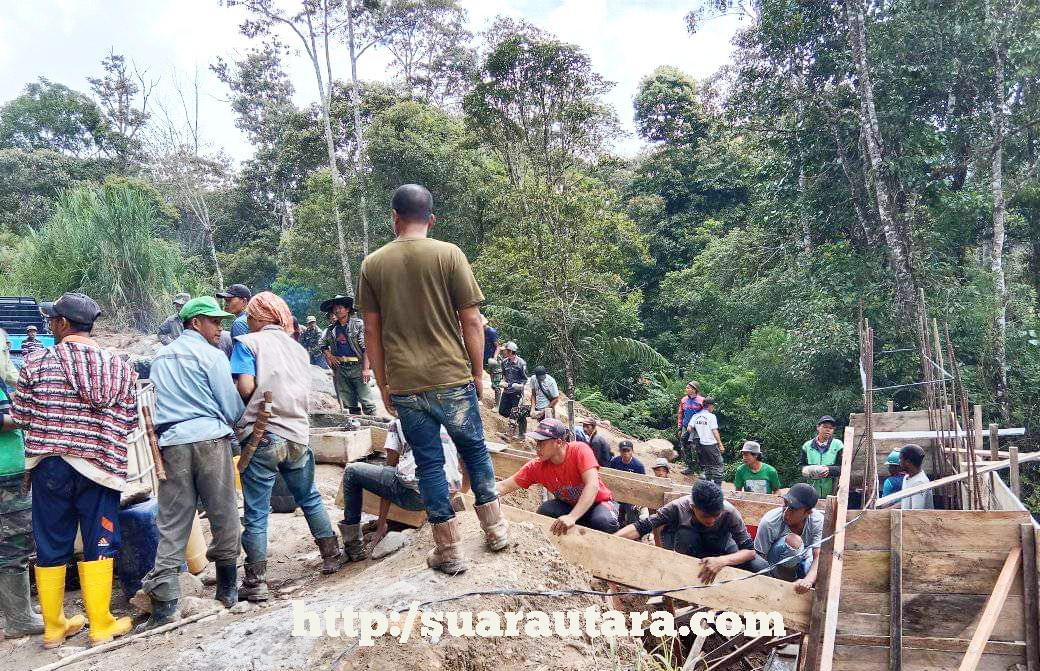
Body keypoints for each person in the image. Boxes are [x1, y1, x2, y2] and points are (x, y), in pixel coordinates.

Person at [357, 184, 507, 575]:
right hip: (451, 378)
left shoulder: (373, 265)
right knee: (473, 449)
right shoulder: (450, 254)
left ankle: (449, 550)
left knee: (428, 464)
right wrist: (477, 372)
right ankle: (495, 531)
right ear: (431, 218)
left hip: (407, 385)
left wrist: (385, 382)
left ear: (394, 218)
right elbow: (471, 320)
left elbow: (371, 331)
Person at [13, 293, 138, 648]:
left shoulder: (37, 363)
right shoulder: (120, 365)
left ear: (63, 324)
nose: (50, 325)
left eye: (53, 320)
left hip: (50, 466)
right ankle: (100, 625)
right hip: (100, 467)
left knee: (52, 542)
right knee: (100, 539)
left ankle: (54, 628)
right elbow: (128, 421)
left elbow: (22, 417)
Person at [139, 297, 244, 628]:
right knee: (223, 511)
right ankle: (227, 592)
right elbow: (231, 407)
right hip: (211, 440)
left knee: (172, 521)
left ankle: (166, 605)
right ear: (195, 322)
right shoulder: (212, 357)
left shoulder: (160, 357)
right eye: (214, 322)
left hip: (172, 443)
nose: (220, 328)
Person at [231, 292, 344, 600]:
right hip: (297, 434)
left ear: (256, 318)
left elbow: (245, 387)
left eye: (250, 318)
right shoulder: (298, 349)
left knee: (255, 510)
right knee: (308, 496)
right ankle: (332, 554)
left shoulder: (248, 344)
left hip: (262, 435)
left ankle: (256, 582)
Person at [340, 419, 468, 560]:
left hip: (414, 496)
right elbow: (466, 463)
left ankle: (354, 546)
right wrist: (458, 494)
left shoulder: (399, 422)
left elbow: (390, 470)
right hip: (444, 493)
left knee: (351, 471)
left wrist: (381, 524)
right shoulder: (447, 419)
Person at [617, 480, 765, 581]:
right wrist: (606, 539)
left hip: (722, 549)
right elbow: (641, 527)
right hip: (691, 552)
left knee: (760, 566)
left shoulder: (729, 511)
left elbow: (749, 551)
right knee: (685, 535)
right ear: (693, 507)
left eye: (716, 515)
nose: (712, 520)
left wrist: (722, 561)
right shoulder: (677, 507)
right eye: (706, 516)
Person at [497, 418, 619, 534]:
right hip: (569, 506)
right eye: (537, 443)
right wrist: (482, 494)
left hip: (598, 503)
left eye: (542, 443)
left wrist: (572, 517)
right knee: (546, 511)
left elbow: (592, 486)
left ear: (559, 442)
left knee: (602, 521)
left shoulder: (579, 450)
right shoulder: (537, 466)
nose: (537, 448)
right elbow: (504, 486)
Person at [0, 382, 44, 641]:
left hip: (9, 470)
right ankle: (19, 618)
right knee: (13, 545)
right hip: (4, 475)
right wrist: (26, 420)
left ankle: (19, 612)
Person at [753, 483, 823, 593]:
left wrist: (808, 581)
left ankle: (799, 580)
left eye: (793, 509)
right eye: (785, 504)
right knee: (794, 542)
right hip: (774, 563)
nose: (786, 512)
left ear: (808, 512)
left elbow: (818, 556)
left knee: (821, 568)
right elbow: (760, 558)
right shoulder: (769, 522)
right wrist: (771, 584)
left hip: (802, 558)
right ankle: (789, 581)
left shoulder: (817, 521)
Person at [319, 295, 377, 415]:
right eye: (335, 308)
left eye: (340, 307)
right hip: (341, 368)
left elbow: (367, 347)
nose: (337, 310)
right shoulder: (331, 330)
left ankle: (375, 427)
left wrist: (366, 369)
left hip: (357, 366)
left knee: (366, 401)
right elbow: (322, 344)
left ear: (347, 309)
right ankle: (356, 428)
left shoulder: (358, 325)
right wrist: (330, 356)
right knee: (349, 402)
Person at [799, 415, 844, 499]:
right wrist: (807, 470)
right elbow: (801, 465)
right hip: (811, 490)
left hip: (832, 492)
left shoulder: (838, 445)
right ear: (818, 427)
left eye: (831, 428)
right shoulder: (807, 446)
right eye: (825, 427)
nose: (828, 430)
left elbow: (844, 468)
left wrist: (829, 470)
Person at [608, 441, 645, 528]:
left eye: (628, 450)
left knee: (632, 516)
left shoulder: (638, 466)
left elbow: (642, 485)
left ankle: (634, 531)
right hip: (616, 494)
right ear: (620, 451)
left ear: (632, 451)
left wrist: (637, 499)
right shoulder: (615, 462)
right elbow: (610, 479)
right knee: (613, 515)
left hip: (631, 496)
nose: (626, 453)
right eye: (623, 451)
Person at [688, 398, 724, 484]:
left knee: (707, 466)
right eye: (713, 406)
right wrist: (720, 444)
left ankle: (706, 485)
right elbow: (714, 431)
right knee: (718, 465)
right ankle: (717, 487)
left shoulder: (695, 416)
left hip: (700, 445)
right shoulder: (711, 416)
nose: (713, 408)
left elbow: (689, 429)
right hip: (711, 444)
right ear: (710, 406)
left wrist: (700, 432)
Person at [677, 382, 705, 474]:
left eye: (688, 388)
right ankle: (690, 467)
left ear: (694, 389)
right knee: (684, 444)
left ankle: (703, 470)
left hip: (698, 428)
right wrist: (680, 428)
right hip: (687, 427)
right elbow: (681, 414)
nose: (686, 389)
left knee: (698, 448)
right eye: (686, 387)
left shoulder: (701, 401)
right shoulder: (684, 400)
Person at [497, 342, 527, 421]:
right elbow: (503, 375)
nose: (503, 352)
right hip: (507, 391)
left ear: (510, 351)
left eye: (505, 350)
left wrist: (520, 386)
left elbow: (525, 379)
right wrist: (502, 382)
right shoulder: (504, 362)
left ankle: (514, 427)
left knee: (515, 413)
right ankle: (513, 418)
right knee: (502, 412)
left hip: (516, 392)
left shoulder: (521, 363)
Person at [899, 444, 932, 509]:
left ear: (908, 462)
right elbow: (905, 502)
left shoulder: (919, 483)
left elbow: (916, 512)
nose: (899, 461)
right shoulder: (907, 477)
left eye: (900, 459)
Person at [483, 315, 502, 405]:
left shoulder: (491, 332)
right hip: (485, 359)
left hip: (494, 360)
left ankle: (498, 405)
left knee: (496, 383)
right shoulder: (478, 332)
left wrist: (494, 358)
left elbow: (498, 347)